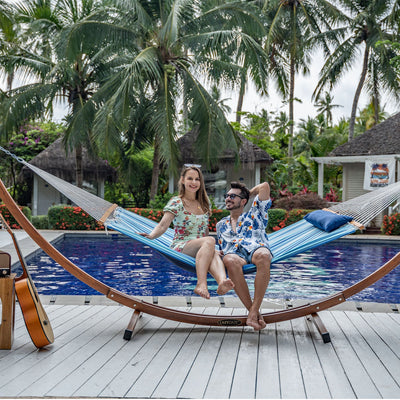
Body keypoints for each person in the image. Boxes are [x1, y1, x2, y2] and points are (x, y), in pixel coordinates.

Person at [140, 165, 234, 299]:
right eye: (190, 178)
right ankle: (201, 284)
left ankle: (222, 282)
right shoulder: (176, 202)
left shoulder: (204, 202)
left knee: (212, 247)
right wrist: (151, 236)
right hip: (182, 245)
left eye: (197, 179)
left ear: (200, 182)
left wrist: (211, 248)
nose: (194, 182)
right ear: (183, 180)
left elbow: (205, 230)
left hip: (202, 247)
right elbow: (162, 225)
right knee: (210, 241)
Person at [216, 181, 272, 330]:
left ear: (243, 201)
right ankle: (253, 313)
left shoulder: (256, 213)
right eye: (227, 196)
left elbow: (264, 186)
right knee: (229, 259)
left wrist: (248, 193)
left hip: (256, 248)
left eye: (233, 196)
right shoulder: (221, 224)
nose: (228, 198)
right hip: (235, 254)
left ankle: (253, 312)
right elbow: (221, 247)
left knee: (264, 255)